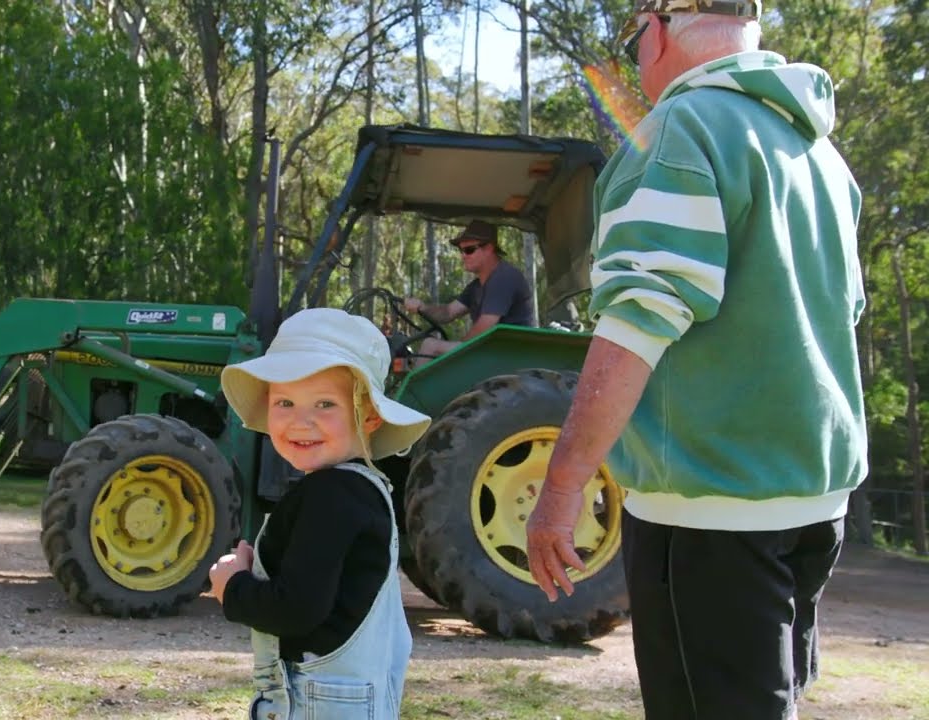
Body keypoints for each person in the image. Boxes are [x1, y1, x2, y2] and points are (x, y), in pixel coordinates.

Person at [525, 2, 866, 719]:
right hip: (812, 501)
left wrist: (559, 490)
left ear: (656, 29)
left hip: (712, 513)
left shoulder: (683, 130)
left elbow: (638, 322)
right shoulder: (818, 154)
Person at [208, 307, 431, 719]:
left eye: (324, 403)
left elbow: (296, 608)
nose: (300, 421)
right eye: (285, 402)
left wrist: (233, 586)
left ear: (368, 416)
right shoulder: (363, 488)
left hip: (320, 703)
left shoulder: (330, 495)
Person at [403, 219, 535, 359]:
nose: (463, 256)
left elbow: (485, 326)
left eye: (469, 250)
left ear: (489, 248)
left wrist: (459, 351)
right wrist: (422, 307)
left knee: (431, 346)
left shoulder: (504, 277)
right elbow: (448, 312)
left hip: (511, 355)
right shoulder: (476, 287)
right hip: (493, 351)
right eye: (461, 250)